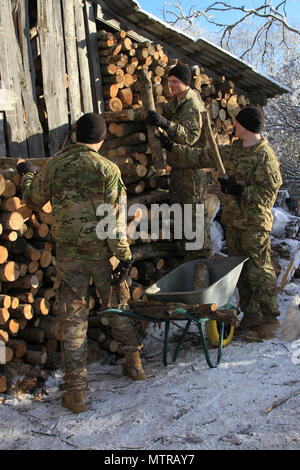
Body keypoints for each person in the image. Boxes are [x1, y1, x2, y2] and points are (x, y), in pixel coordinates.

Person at [16, 113, 146, 414]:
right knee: (118, 309)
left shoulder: (56, 166)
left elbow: (34, 196)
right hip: (103, 254)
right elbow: (114, 220)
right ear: (101, 139)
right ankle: (134, 364)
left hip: (69, 256)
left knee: (73, 322)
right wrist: (124, 256)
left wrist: (26, 172)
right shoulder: (108, 169)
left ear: (76, 136)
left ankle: (76, 394)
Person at [158, 105, 282, 341]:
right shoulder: (234, 150)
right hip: (234, 222)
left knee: (260, 271)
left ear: (246, 126)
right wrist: (173, 148)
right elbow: (202, 156)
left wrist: (239, 189)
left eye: (237, 122)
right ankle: (252, 315)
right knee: (241, 271)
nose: (233, 125)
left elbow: (269, 194)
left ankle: (269, 319)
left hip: (254, 223)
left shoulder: (265, 156)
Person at [147, 62, 211, 260]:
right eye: (169, 82)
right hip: (180, 168)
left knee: (193, 218)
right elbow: (166, 112)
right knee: (182, 217)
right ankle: (188, 259)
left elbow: (190, 137)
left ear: (185, 83)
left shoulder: (191, 105)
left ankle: (201, 259)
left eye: (175, 82)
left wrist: (166, 125)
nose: (171, 86)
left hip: (191, 172)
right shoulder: (179, 102)